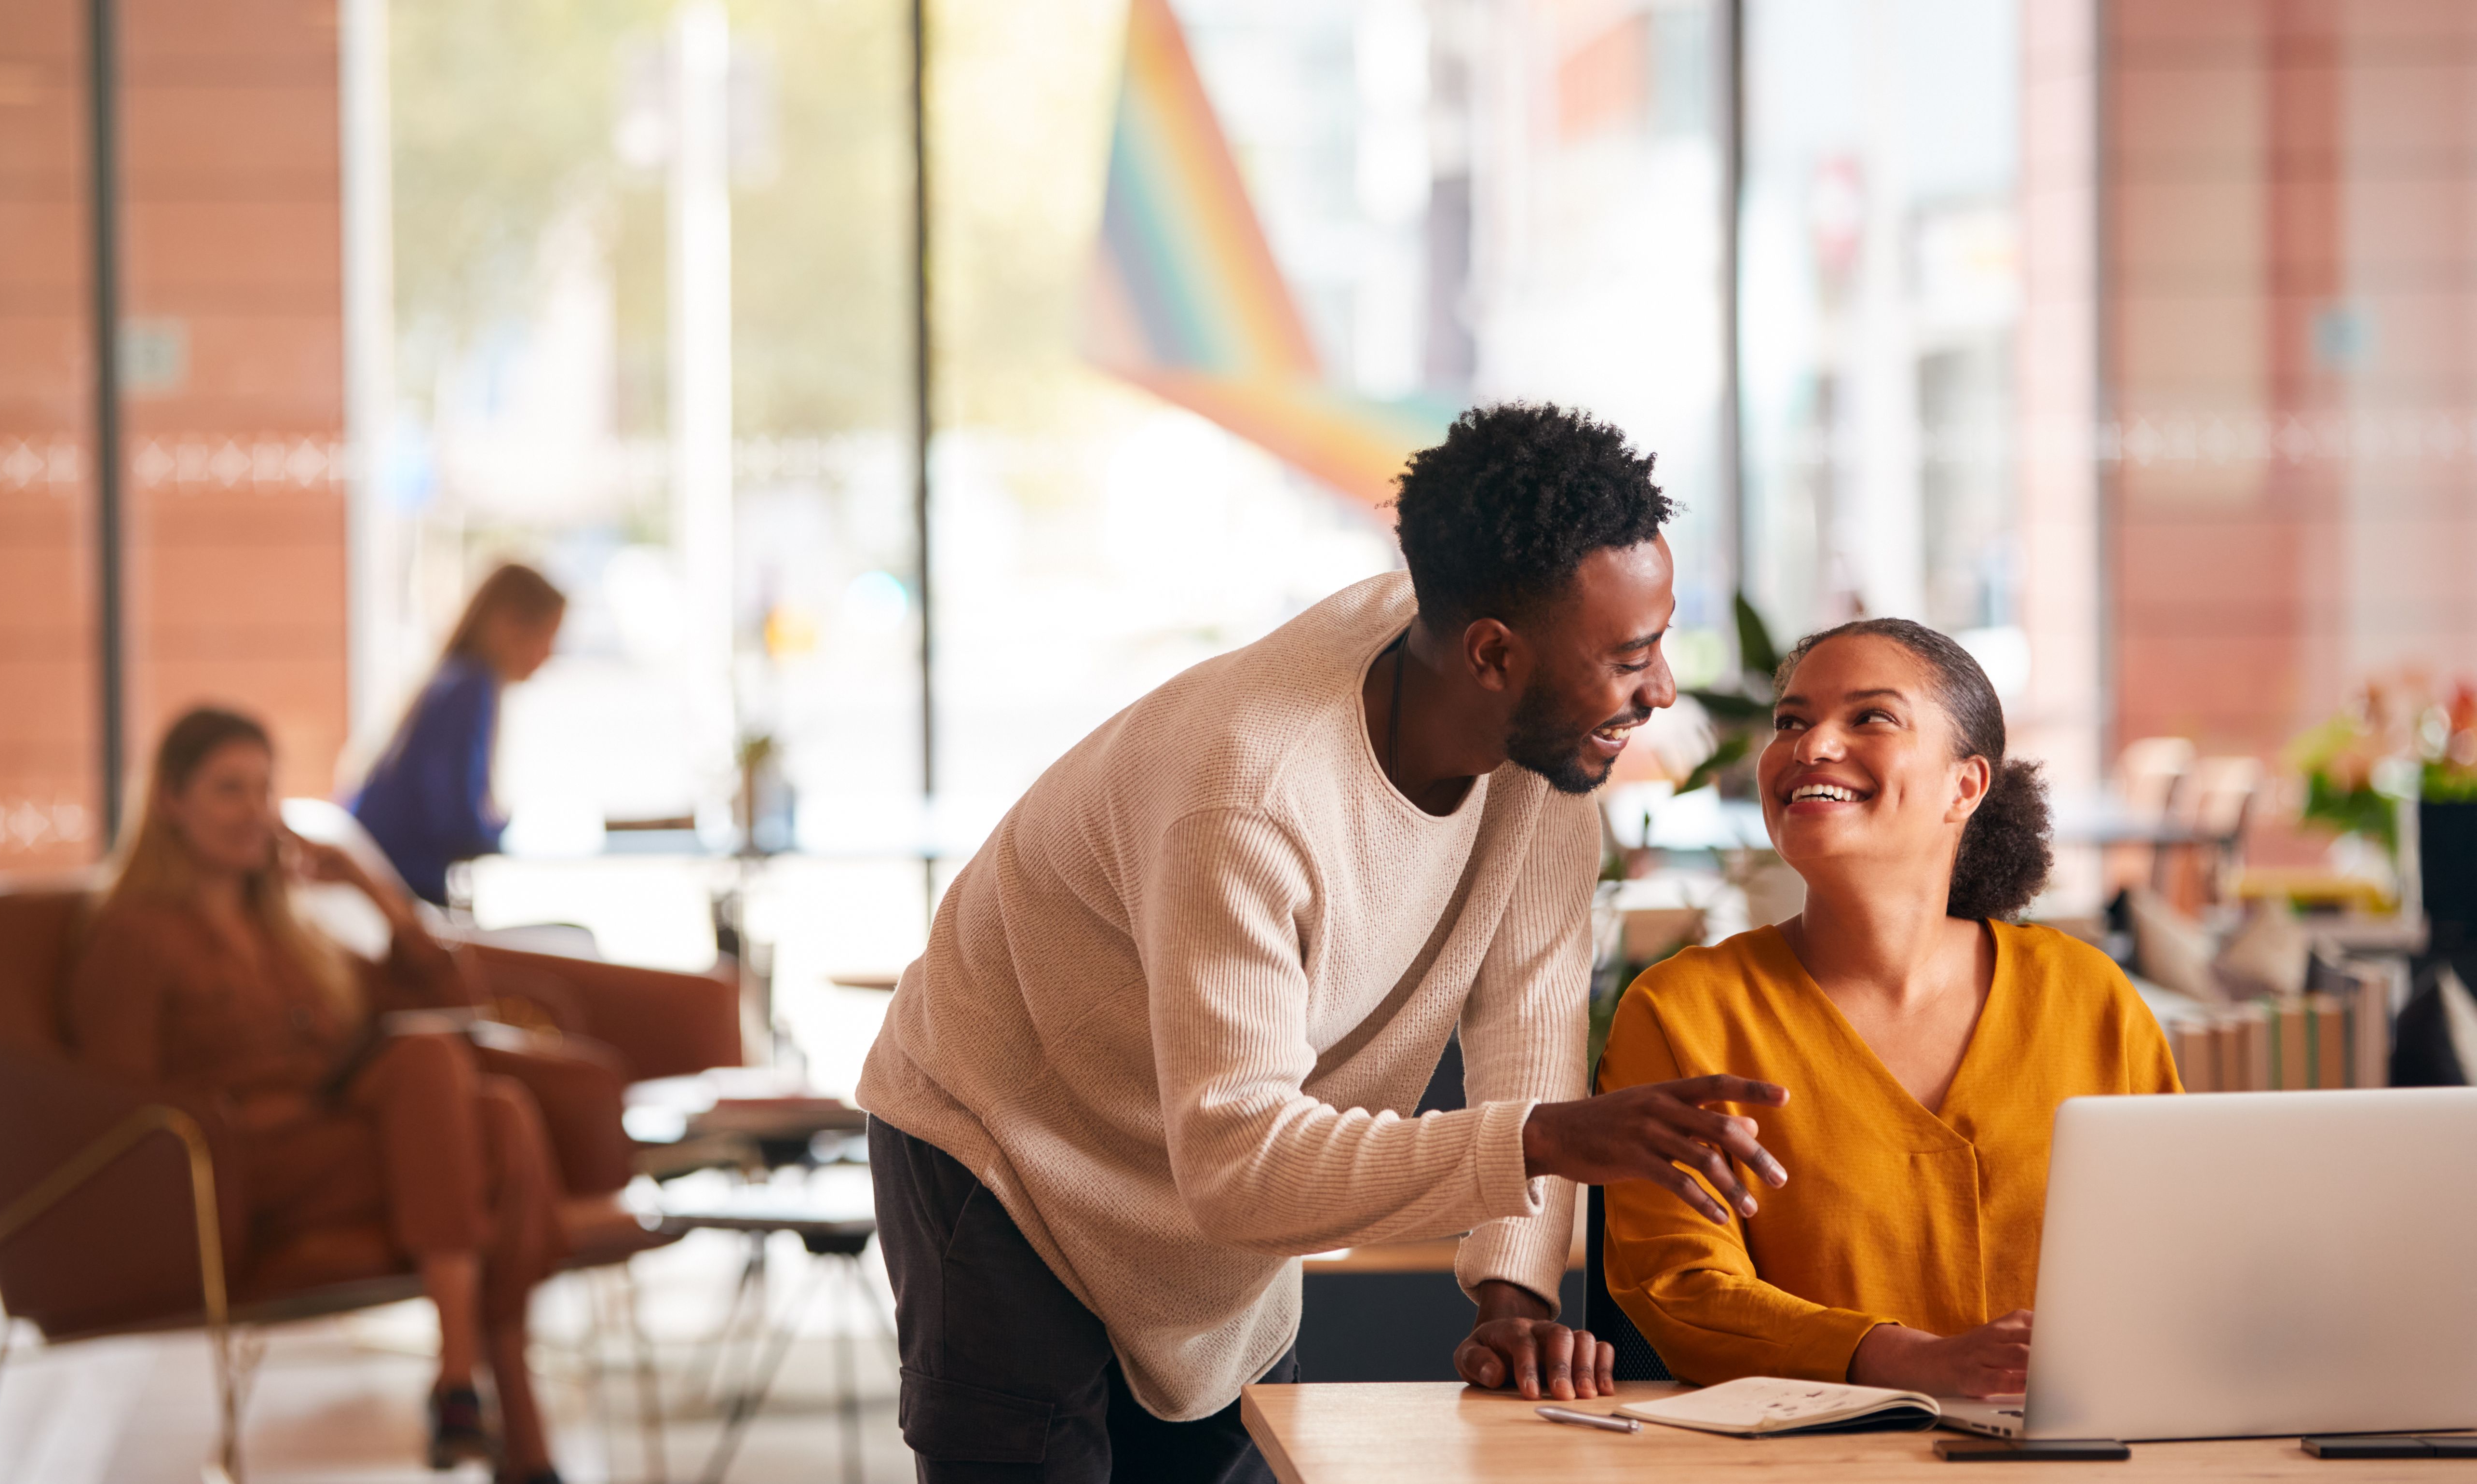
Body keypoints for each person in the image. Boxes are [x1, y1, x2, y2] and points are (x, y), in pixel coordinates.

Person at [858, 404, 1797, 1483]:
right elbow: (1242, 1163)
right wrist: (1543, 1142)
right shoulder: (1250, 796)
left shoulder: (1534, 740)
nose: (1663, 688)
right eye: (1631, 655)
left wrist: (1514, 1294)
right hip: (1011, 1146)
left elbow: (1528, 1025)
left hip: (1215, 1194)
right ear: (1493, 654)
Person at [1597, 619, 2183, 1398]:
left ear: (1964, 785)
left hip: (2071, 1450)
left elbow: (2176, 1256)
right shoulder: (1681, 1011)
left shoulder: (2088, 996)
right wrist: (1906, 1359)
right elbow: (1682, 1288)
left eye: (1869, 716)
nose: (1809, 746)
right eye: (1790, 722)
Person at [70, 707, 569, 1484]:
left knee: (487, 1103)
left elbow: (450, 1001)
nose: (255, 813)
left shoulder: (286, 928)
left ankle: (464, 1387)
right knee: (492, 1131)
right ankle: (505, 1423)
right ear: (171, 800)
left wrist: (368, 885)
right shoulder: (133, 934)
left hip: (341, 1141)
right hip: (241, 1165)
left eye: (265, 790)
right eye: (229, 789)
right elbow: (117, 1101)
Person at [354, 563, 566, 904]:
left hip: (391, 881)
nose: (549, 654)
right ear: (509, 624)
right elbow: (460, 822)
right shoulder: (470, 688)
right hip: (401, 891)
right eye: (548, 636)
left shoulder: (453, 679)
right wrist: (505, 828)